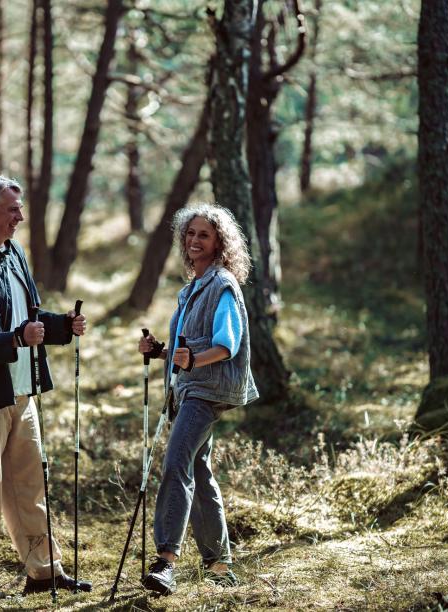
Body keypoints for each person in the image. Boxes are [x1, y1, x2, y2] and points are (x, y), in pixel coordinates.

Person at [0, 175, 91, 596]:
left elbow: (28, 315)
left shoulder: (13, 253)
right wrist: (14, 340)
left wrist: (61, 326)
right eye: (11, 209)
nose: (20, 217)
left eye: (19, 209)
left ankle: (43, 572)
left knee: (30, 485)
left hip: (21, 392)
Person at [138, 203, 259, 595]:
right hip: (189, 390)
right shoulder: (191, 290)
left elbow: (227, 344)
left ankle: (166, 562)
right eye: (189, 234)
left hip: (205, 393)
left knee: (176, 464)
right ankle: (219, 565)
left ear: (219, 242)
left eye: (203, 235)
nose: (194, 240)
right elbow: (184, 350)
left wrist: (192, 360)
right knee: (199, 471)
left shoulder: (223, 285)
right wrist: (159, 350)